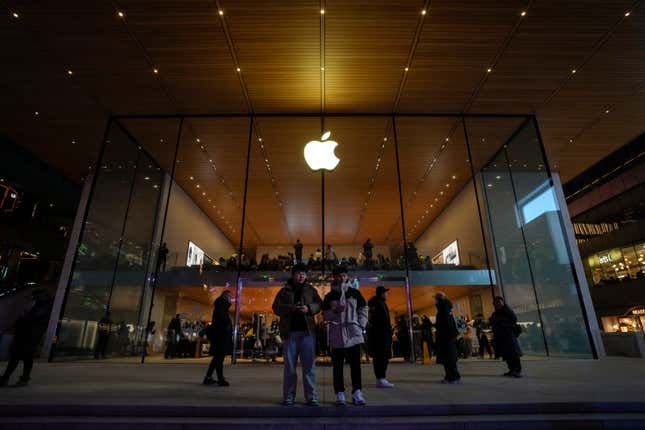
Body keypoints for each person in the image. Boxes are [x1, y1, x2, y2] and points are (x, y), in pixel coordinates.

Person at [272, 264, 323, 406]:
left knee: (309, 367)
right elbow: (275, 308)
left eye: (304, 274)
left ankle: (311, 397)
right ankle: (289, 396)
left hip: (307, 333)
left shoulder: (311, 290)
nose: (301, 276)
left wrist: (309, 308)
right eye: (299, 273)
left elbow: (319, 304)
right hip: (290, 333)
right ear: (293, 275)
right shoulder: (284, 291)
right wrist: (290, 308)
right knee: (289, 367)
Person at [323, 266, 368, 405]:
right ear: (334, 277)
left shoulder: (355, 293)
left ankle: (357, 392)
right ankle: (340, 393)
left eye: (343, 275)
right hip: (337, 333)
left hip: (353, 333)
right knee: (337, 366)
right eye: (338, 275)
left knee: (355, 365)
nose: (341, 278)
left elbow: (363, 309)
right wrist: (335, 311)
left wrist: (360, 325)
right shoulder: (329, 296)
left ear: (347, 276)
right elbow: (325, 315)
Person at [1, 289, 52, 387]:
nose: (33, 297)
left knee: (17, 357)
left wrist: (20, 321)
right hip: (31, 337)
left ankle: (6, 378)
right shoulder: (40, 306)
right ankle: (22, 378)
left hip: (28, 336)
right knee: (26, 358)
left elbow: (29, 319)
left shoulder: (40, 307)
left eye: (35, 296)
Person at [204, 290, 233, 386]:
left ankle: (208, 377)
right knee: (219, 358)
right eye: (229, 296)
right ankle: (220, 379)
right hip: (221, 336)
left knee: (217, 357)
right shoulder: (221, 307)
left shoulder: (221, 307)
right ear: (225, 297)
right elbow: (223, 321)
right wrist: (227, 328)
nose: (231, 298)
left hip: (220, 336)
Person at [367, 286, 394, 388]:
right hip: (380, 336)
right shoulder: (378, 304)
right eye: (386, 293)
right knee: (381, 358)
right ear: (381, 293)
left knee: (382, 357)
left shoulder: (379, 303)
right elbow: (378, 321)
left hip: (382, 335)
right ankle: (381, 378)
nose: (387, 294)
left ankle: (381, 378)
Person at [489, 296, 523, 377]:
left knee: (513, 354)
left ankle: (517, 370)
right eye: (496, 303)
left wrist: (502, 322)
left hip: (508, 335)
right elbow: (492, 321)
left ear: (503, 303)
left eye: (499, 302)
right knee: (506, 354)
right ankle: (511, 369)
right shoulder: (495, 313)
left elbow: (514, 320)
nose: (498, 304)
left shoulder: (507, 311)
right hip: (501, 337)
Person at [434, 292, 460, 384]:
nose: (435, 301)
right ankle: (450, 376)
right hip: (446, 337)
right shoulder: (444, 309)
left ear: (439, 299)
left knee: (449, 358)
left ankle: (453, 377)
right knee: (447, 358)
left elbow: (446, 324)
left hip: (446, 337)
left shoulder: (444, 309)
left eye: (436, 299)